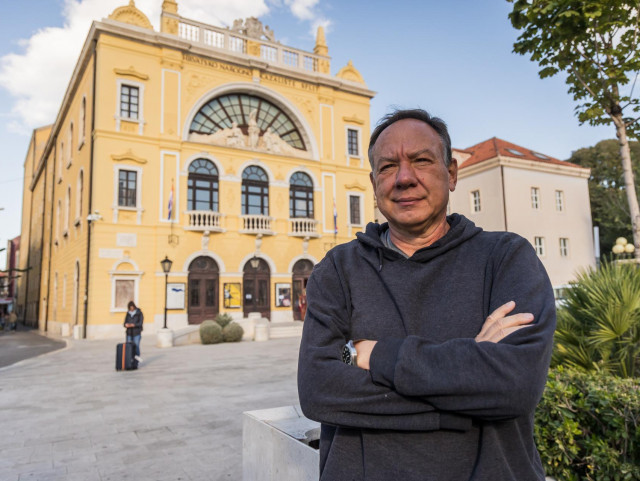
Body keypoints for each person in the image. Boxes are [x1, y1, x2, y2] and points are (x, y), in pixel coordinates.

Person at [297, 109, 556, 481]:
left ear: (451, 174)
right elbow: (319, 390)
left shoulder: (507, 258)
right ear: (373, 182)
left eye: (421, 160)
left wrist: (376, 355)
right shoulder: (338, 269)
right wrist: (469, 377)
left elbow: (515, 385)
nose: (404, 178)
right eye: (388, 166)